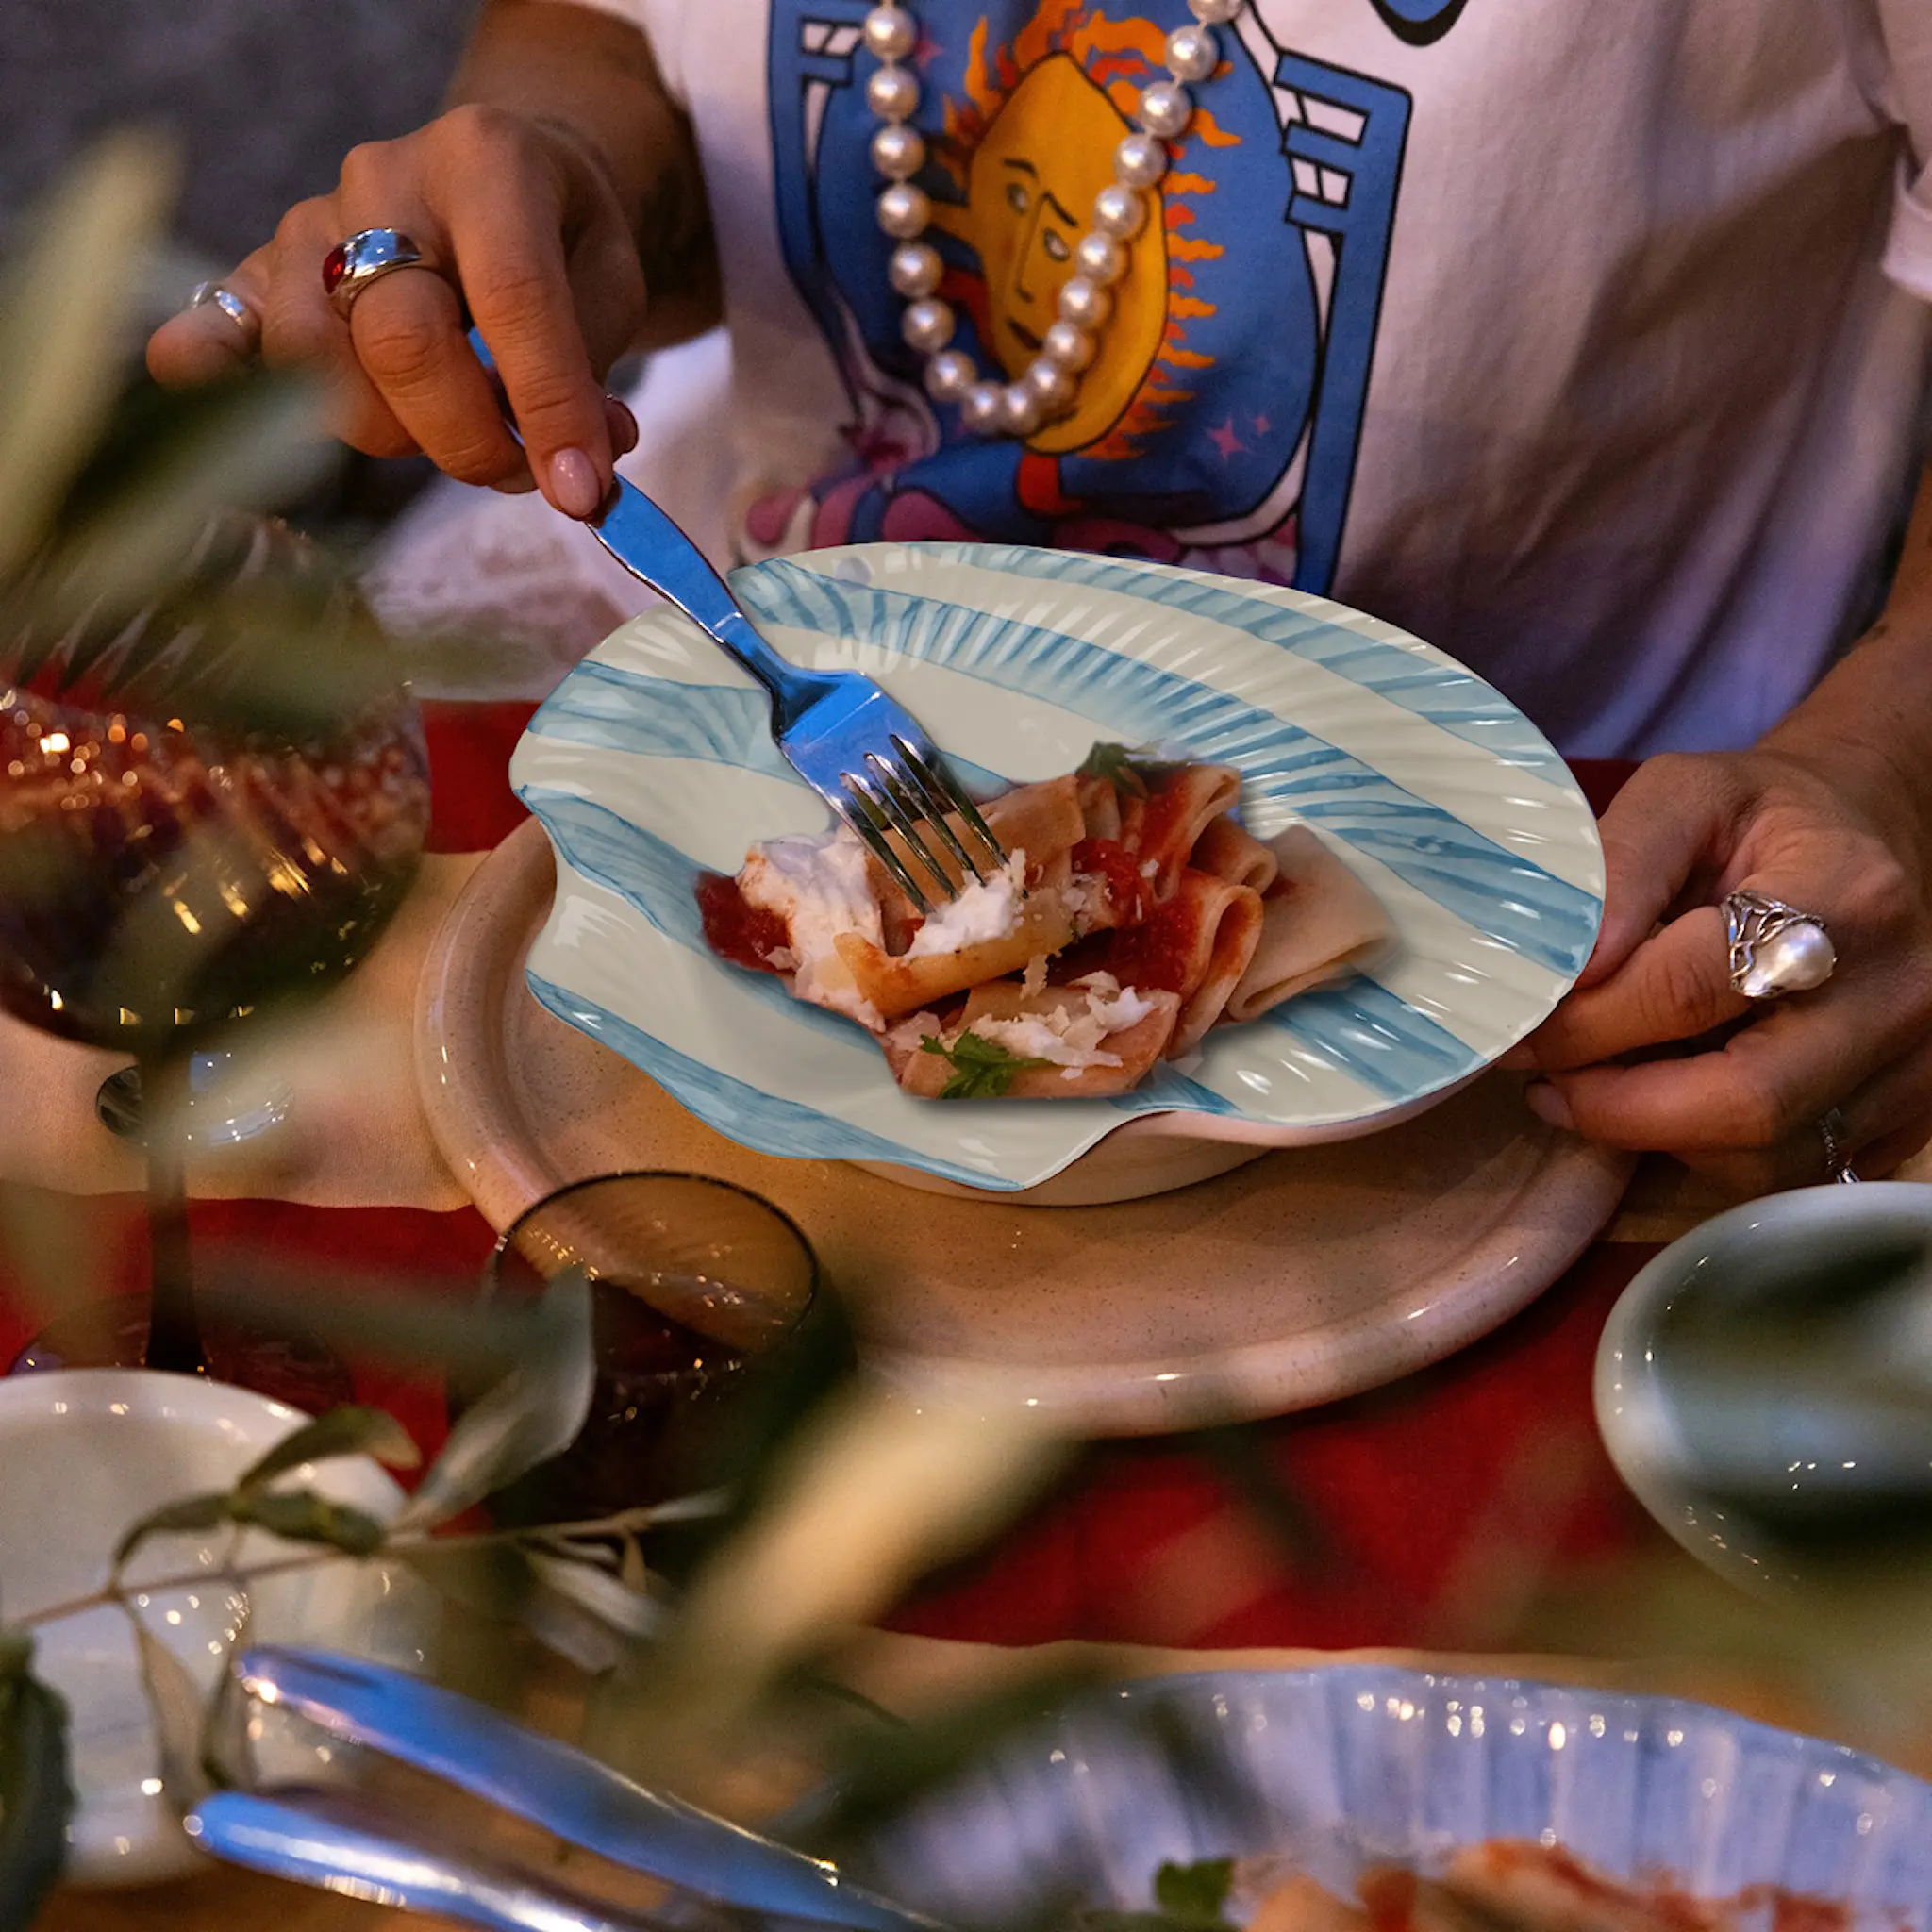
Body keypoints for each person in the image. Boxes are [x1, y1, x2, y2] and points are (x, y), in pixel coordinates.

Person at [148, 0, 1932, 1191]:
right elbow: (609, 27)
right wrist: (565, 162)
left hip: (1597, 892)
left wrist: (1896, 753)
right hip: (745, 716)